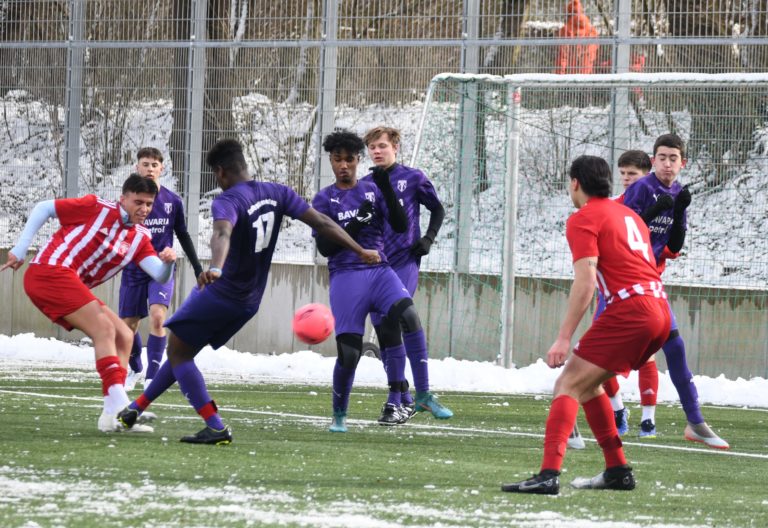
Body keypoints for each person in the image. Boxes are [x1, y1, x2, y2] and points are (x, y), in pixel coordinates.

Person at [116, 138, 380, 445]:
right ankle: (135, 409)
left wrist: (216, 267)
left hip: (222, 292)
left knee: (177, 353)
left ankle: (215, 426)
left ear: (220, 171)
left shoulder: (228, 200)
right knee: (183, 350)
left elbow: (222, 232)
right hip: (249, 301)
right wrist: (360, 249)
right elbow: (322, 222)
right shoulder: (278, 192)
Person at [502, 155, 670, 495]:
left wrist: (563, 337)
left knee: (567, 384)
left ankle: (548, 474)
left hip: (631, 310)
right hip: (660, 309)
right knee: (590, 386)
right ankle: (617, 469)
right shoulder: (630, 217)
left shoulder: (583, 218)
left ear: (575, 183)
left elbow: (586, 280)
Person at [1, 174, 177, 433]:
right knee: (104, 329)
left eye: (149, 204)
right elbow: (43, 208)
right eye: (138, 202)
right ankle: (122, 406)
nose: (144, 209)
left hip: (68, 282)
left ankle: (110, 416)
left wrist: (169, 263)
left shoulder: (140, 237)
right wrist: (20, 247)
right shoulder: (96, 207)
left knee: (124, 335)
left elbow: (159, 275)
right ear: (123, 198)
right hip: (48, 272)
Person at [312, 129, 452, 433]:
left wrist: (386, 187)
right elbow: (325, 248)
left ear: (357, 160)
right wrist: (356, 222)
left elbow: (400, 225)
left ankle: (421, 395)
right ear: (331, 162)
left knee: (408, 317)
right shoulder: (324, 199)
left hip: (381, 270)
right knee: (350, 352)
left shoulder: (373, 189)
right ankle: (339, 415)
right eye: (338, 159)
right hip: (346, 276)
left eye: (350, 159)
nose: (344, 165)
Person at [621, 134, 729, 449]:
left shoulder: (679, 192)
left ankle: (695, 422)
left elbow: (675, 246)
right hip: (626, 281)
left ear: (683, 163)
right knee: (609, 358)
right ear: (652, 160)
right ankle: (574, 405)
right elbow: (623, 234)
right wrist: (656, 210)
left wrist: (679, 211)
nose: (667, 164)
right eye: (662, 157)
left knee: (675, 347)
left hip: (651, 282)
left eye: (674, 158)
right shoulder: (642, 188)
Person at [361, 126, 447, 424]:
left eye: (382, 145)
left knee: (395, 319)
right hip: (375, 266)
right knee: (384, 332)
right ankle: (403, 396)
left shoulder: (413, 178)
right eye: (372, 147)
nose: (377, 151)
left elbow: (437, 210)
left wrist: (428, 239)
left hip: (405, 262)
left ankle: (396, 401)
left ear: (395, 147)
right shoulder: (365, 184)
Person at [119, 147, 203, 391]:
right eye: (145, 164)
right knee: (128, 326)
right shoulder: (127, 202)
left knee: (158, 317)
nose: (150, 169)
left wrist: (198, 268)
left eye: (154, 165)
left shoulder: (172, 201)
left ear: (161, 169)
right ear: (137, 167)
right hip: (134, 268)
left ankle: (152, 377)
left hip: (161, 269)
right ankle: (135, 367)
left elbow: (183, 234)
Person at [555, 0, 598, 75]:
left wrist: (559, 75)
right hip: (586, 67)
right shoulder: (591, 29)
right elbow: (594, 49)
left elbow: (563, 55)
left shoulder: (566, 29)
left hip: (571, 69)